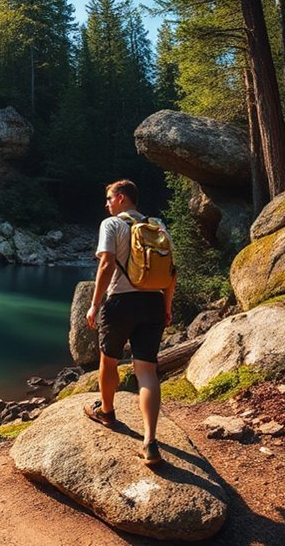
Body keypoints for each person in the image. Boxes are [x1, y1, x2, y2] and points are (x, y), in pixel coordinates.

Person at [83, 179, 176, 466]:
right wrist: (167, 305)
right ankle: (150, 441)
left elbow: (106, 263)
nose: (106, 203)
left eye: (109, 198)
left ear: (122, 198)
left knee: (109, 360)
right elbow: (171, 270)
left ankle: (107, 411)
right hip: (152, 303)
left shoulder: (111, 225)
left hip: (121, 302)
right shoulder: (157, 225)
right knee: (147, 370)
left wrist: (95, 304)